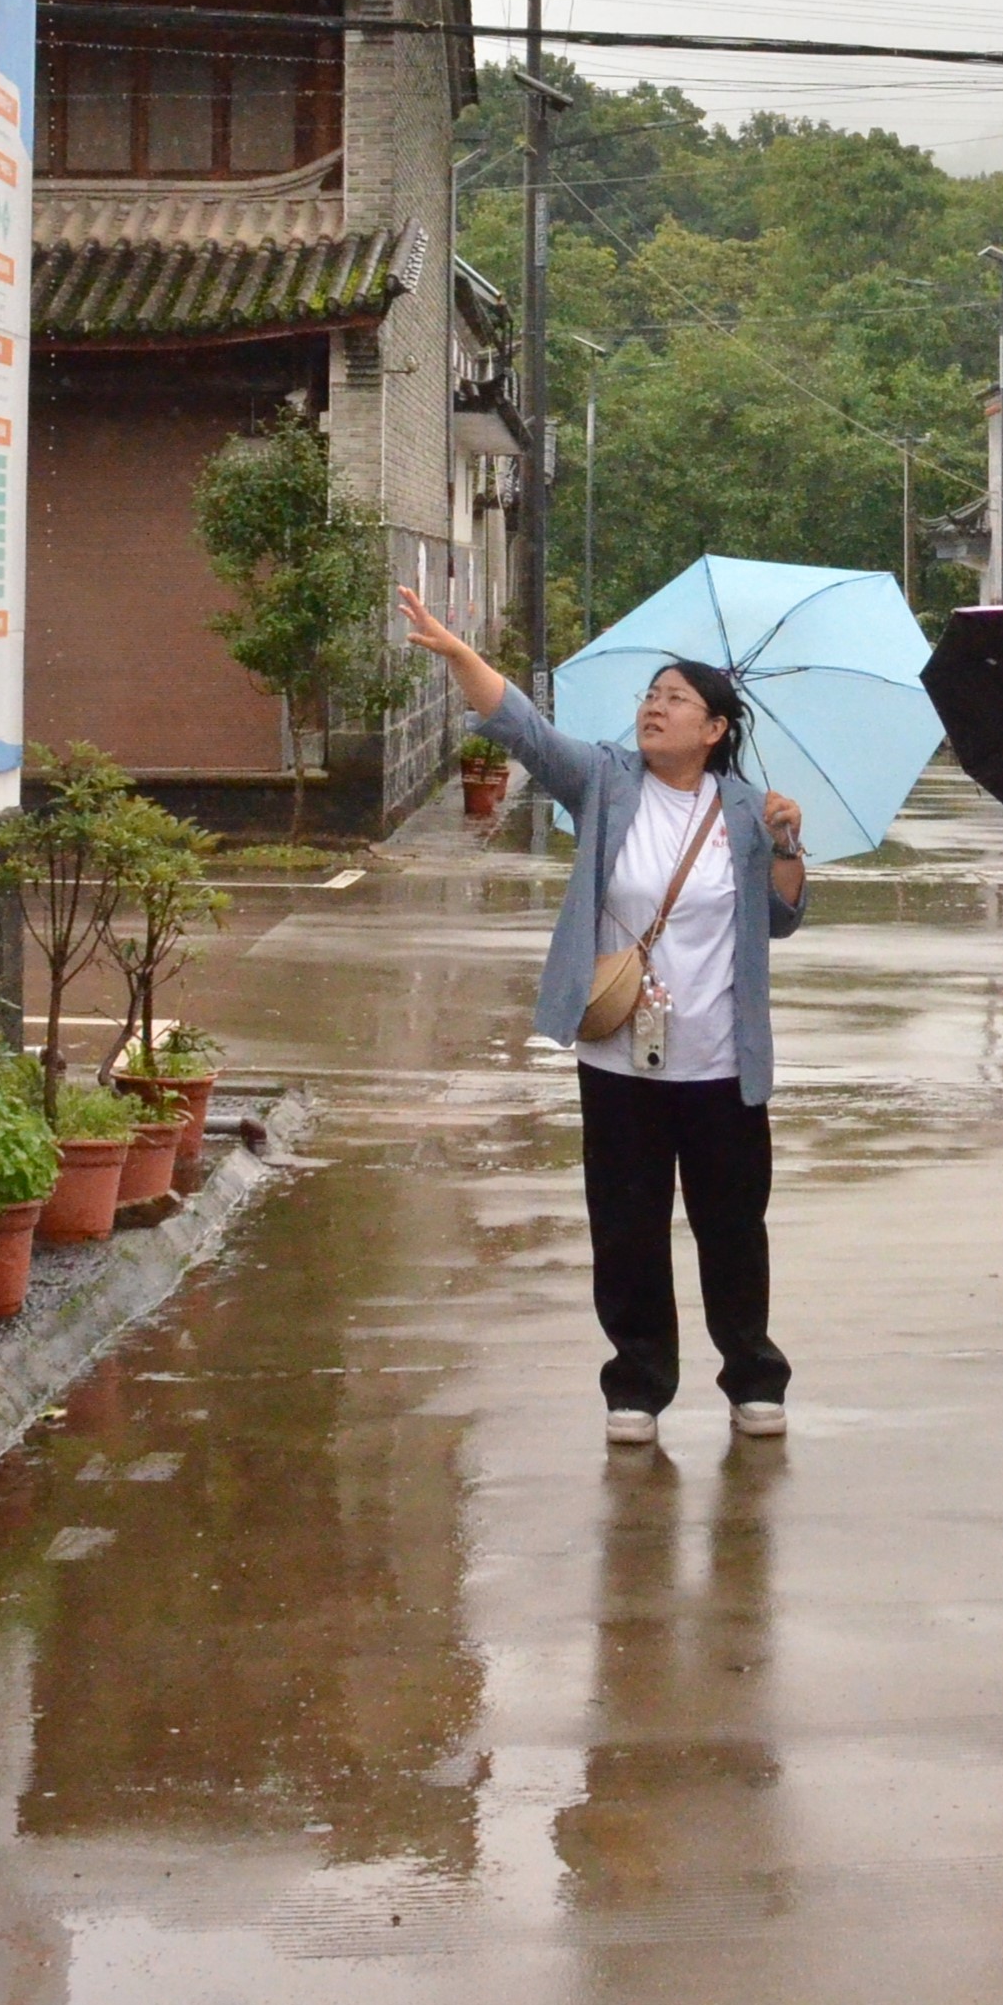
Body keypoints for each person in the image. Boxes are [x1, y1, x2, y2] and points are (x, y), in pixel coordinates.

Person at [396, 585, 810, 1447]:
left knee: (732, 1227)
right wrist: (457, 653)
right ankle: (637, 1385)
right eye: (650, 696)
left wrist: (788, 846)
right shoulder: (606, 783)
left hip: (722, 1061)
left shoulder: (746, 809)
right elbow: (522, 730)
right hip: (621, 1056)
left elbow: (778, 920)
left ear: (716, 730)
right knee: (626, 1227)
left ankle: (752, 1376)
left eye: (676, 700)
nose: (654, 709)